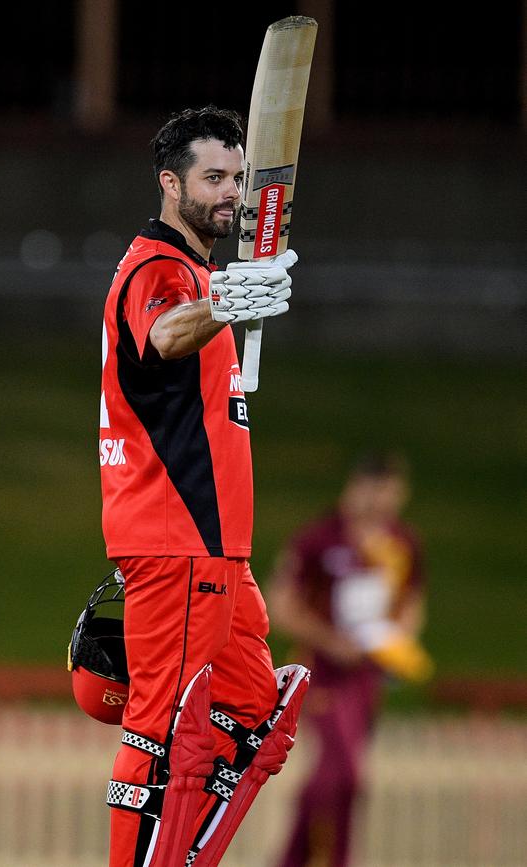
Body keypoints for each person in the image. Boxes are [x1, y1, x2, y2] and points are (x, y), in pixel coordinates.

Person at [90, 105, 309, 867]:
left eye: (238, 178)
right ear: (169, 182)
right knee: (160, 729)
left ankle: (178, 849)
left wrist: (227, 296)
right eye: (213, 177)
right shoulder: (158, 267)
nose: (231, 194)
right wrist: (229, 300)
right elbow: (163, 333)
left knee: (257, 714)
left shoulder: (198, 276)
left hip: (218, 551)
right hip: (177, 539)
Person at [268, 451, 431, 867]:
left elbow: (411, 603)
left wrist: (397, 642)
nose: (381, 505)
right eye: (375, 493)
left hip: (367, 674)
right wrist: (329, 640)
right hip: (321, 670)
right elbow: (282, 603)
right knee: (344, 772)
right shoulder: (319, 539)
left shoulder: (402, 543)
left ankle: (292, 858)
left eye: (391, 497)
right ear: (355, 488)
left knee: (338, 775)